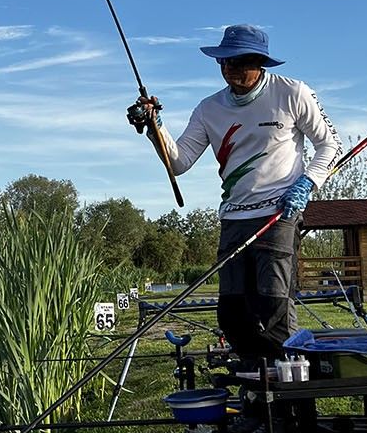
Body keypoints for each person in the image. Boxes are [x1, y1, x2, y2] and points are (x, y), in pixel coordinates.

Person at [127, 23, 342, 362]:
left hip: (279, 215)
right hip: (234, 218)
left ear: (261, 63)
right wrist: (155, 127)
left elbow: (330, 144)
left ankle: (288, 396)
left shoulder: (293, 93)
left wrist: (308, 182)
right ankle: (253, 390)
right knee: (232, 313)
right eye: (225, 62)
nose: (231, 70)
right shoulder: (208, 109)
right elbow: (179, 161)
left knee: (273, 308)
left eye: (241, 62)